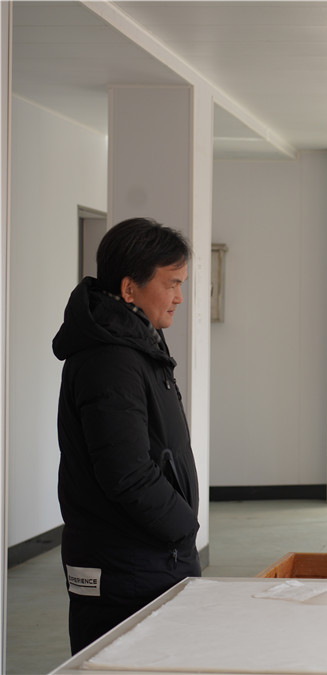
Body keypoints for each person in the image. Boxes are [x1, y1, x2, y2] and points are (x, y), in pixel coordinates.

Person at [53, 217, 200, 654]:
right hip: (126, 566)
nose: (179, 297)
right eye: (171, 284)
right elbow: (127, 473)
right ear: (129, 289)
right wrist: (182, 526)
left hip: (144, 556)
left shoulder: (136, 345)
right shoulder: (110, 360)